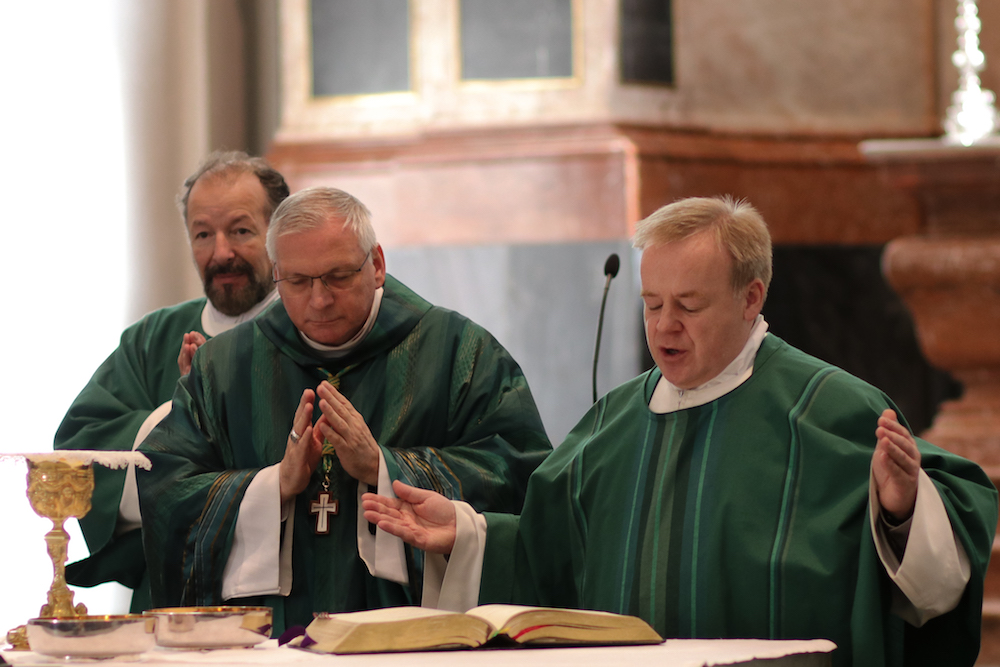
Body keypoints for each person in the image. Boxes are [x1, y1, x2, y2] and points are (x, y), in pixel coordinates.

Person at [362, 196, 999, 667]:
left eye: (689, 306)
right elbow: (549, 561)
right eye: (652, 304)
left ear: (752, 298)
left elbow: (946, 562)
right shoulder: (611, 427)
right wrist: (467, 534)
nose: (665, 328)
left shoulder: (828, 409)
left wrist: (901, 509)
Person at [136, 186, 551, 633]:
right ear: (276, 274)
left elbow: (520, 473)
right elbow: (166, 487)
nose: (319, 299)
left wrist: (385, 467)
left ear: (376, 265)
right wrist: (272, 486)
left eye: (337, 276)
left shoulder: (457, 353)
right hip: (267, 642)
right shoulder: (226, 366)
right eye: (297, 281)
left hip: (410, 641)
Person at [54, 150, 290, 612]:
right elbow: (80, 446)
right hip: (171, 596)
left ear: (277, 235)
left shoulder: (311, 329)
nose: (221, 253)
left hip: (287, 595)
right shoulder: (151, 339)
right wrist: (181, 413)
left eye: (241, 231)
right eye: (203, 234)